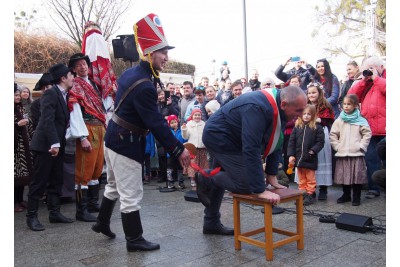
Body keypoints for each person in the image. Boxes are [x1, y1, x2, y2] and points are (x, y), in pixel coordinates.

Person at [91, 13, 191, 252]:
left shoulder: (133, 73)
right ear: (149, 53)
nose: (166, 58)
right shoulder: (145, 84)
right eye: (162, 53)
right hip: (126, 143)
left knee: (114, 186)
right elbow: (156, 123)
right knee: (131, 194)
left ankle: (102, 222)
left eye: (167, 52)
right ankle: (134, 239)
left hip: (114, 138)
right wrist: (178, 150)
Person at [195, 86, 306, 235]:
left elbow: (276, 141)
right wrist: (260, 189)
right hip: (219, 137)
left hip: (233, 138)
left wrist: (271, 174)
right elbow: (251, 148)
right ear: (284, 104)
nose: (300, 115)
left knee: (221, 177)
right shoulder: (257, 107)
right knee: (246, 184)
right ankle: (205, 176)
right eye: (298, 111)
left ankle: (211, 222)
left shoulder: (278, 106)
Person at [26, 63, 75, 231]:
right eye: (70, 75)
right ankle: (31, 216)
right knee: (39, 182)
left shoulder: (64, 94)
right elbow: (46, 120)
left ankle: (54, 213)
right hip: (45, 145)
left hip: (57, 144)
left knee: (56, 180)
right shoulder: (50, 94)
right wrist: (54, 143)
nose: (73, 78)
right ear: (63, 78)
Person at [67, 53, 107, 222]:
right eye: (79, 65)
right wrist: (82, 136)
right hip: (87, 128)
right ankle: (81, 210)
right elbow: (75, 112)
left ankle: (92, 203)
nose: (83, 67)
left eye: (84, 64)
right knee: (84, 170)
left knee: (97, 168)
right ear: (74, 69)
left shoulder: (94, 85)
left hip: (100, 128)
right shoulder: (75, 86)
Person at [348, 57, 386, 199]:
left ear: (380, 67)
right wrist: (364, 81)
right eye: (367, 68)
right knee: (370, 158)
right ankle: (373, 188)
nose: (369, 71)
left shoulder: (385, 79)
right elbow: (351, 97)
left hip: (386, 128)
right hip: (369, 128)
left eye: (372, 68)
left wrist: (377, 78)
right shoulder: (365, 83)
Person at [330, 94, 372, 206]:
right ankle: (346, 194)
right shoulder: (339, 120)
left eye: (349, 104)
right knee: (344, 176)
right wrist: (337, 146)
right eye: (344, 104)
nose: (346, 106)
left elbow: (367, 134)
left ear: (355, 106)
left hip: (356, 153)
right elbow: (333, 134)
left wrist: (361, 146)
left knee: (357, 176)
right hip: (343, 153)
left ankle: (356, 196)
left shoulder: (361, 120)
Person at [287, 104, 325, 206]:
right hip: (299, 158)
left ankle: (310, 194)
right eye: (304, 114)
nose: (306, 116)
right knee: (301, 178)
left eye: (309, 114)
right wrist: (291, 155)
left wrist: (313, 151)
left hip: (310, 158)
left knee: (310, 178)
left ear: (313, 115)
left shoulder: (317, 127)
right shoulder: (297, 127)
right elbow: (291, 142)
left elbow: (320, 142)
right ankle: (302, 194)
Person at [306, 82, 334, 200]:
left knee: (322, 159)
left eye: (314, 92)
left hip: (321, 133)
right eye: (309, 93)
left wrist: (319, 120)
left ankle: (323, 188)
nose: (311, 95)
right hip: (308, 135)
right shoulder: (305, 105)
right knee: (310, 160)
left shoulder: (325, 106)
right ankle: (311, 189)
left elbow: (328, 120)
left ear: (319, 93)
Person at [14, 85, 33, 212]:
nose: (17, 97)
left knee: (22, 176)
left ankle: (20, 200)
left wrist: (28, 122)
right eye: (15, 95)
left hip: (23, 148)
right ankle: (14, 202)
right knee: (14, 176)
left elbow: (28, 124)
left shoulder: (20, 107)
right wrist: (16, 124)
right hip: (14, 149)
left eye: (18, 95)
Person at [181, 108, 208, 190]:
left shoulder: (204, 124)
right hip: (192, 149)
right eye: (195, 115)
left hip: (202, 148)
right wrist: (184, 129)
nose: (197, 116)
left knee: (202, 166)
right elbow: (185, 137)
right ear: (192, 116)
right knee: (193, 166)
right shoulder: (189, 124)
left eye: (199, 115)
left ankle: (201, 182)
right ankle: (193, 182)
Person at [166, 114, 187, 189]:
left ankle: (181, 183)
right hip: (170, 153)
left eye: (175, 122)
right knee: (170, 168)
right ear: (169, 124)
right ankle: (170, 183)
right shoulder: (168, 132)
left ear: (177, 122)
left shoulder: (181, 130)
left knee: (180, 167)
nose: (174, 124)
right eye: (171, 123)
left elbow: (185, 140)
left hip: (179, 153)